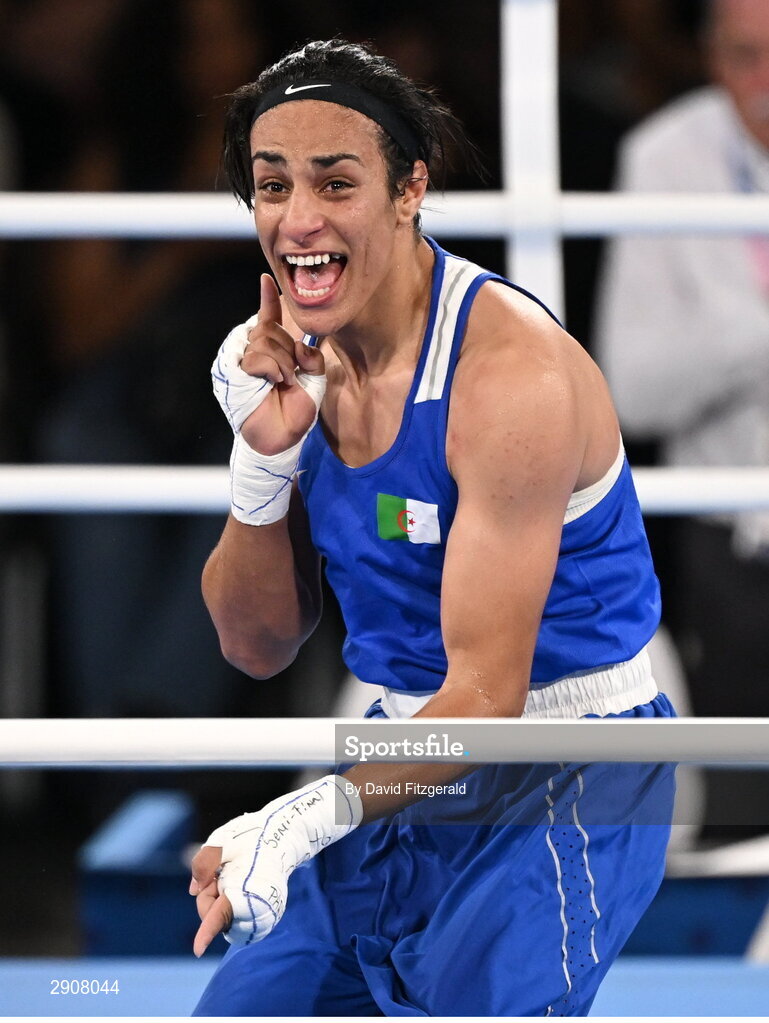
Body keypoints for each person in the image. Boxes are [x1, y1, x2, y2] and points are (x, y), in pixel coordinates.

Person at [189, 39, 676, 1017]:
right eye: (271, 186)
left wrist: (297, 819)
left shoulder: (509, 379)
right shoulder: (282, 360)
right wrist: (262, 461)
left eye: (336, 183)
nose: (299, 220)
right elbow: (254, 646)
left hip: (564, 759)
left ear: (409, 189)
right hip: (407, 743)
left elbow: (489, 698)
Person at [595, 0, 769, 831]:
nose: (764, 84)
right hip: (727, 541)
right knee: (738, 819)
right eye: (744, 56)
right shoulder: (665, 156)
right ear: (709, 57)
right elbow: (632, 389)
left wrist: (724, 343)